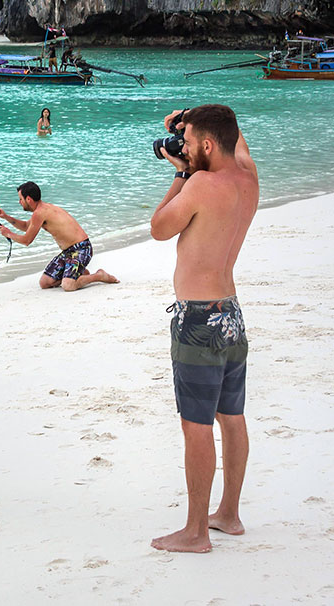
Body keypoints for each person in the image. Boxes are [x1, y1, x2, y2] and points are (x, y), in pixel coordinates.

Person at [149, 105, 259, 554]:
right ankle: (229, 514)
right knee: (231, 417)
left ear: (208, 145)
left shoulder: (199, 184)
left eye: (191, 142)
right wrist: (191, 119)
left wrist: (178, 174)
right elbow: (236, 139)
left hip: (197, 321)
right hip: (231, 314)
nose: (185, 149)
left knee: (196, 425)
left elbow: (158, 228)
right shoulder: (248, 177)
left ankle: (195, 532)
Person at [0, 182, 118, 291]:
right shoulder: (41, 209)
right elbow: (26, 226)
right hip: (68, 252)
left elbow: (27, 240)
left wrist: (8, 234)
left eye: (20, 199)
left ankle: (99, 276)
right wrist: (5, 217)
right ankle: (79, 273)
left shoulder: (40, 213)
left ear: (29, 199)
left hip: (82, 248)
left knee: (68, 285)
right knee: (45, 282)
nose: (19, 202)